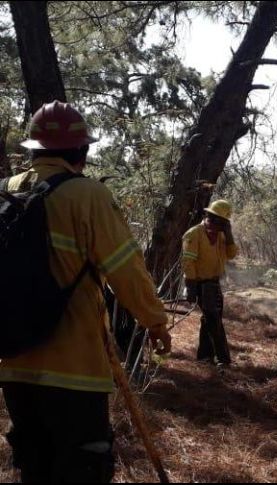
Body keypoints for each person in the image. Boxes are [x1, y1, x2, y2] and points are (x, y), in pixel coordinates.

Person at [0, 101, 172, 483]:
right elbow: (126, 268)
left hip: (14, 365)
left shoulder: (7, 192)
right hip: (75, 369)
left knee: (35, 466)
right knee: (82, 467)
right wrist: (156, 323)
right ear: (82, 151)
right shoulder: (86, 195)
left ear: (34, 149)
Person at [182, 200, 239, 368]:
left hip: (214, 283)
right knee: (214, 321)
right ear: (208, 217)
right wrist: (190, 286)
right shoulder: (194, 234)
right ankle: (224, 360)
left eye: (222, 223)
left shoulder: (221, 236)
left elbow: (231, 255)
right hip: (201, 284)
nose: (216, 225)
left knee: (209, 321)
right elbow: (188, 263)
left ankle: (204, 358)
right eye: (214, 220)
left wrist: (229, 235)